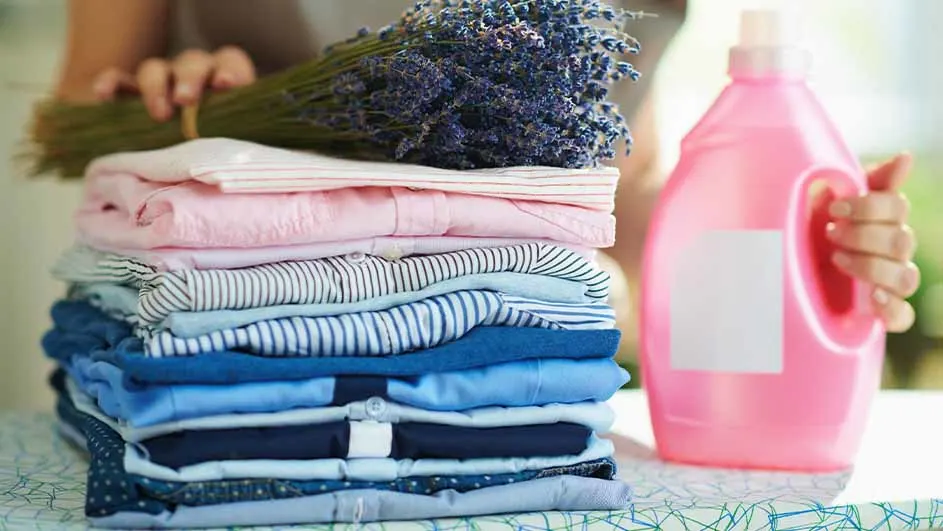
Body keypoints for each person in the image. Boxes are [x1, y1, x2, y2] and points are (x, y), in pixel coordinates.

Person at [52, 0, 921, 334]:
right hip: (231, 350)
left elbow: (616, 197)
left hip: (495, 406)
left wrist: (786, 260)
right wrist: (179, 110)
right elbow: (73, 124)